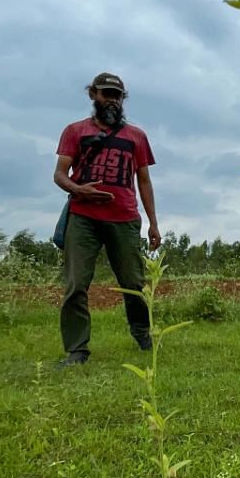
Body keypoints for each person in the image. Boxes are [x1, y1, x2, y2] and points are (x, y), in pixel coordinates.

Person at [52, 72, 161, 366]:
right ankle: (77, 349)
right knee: (76, 284)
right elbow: (60, 174)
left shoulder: (136, 136)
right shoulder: (75, 131)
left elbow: (145, 181)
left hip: (124, 218)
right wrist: (79, 190)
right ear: (93, 95)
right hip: (82, 217)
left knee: (134, 283)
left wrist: (153, 222)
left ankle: (143, 335)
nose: (111, 100)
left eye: (116, 95)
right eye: (105, 93)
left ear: (122, 99)